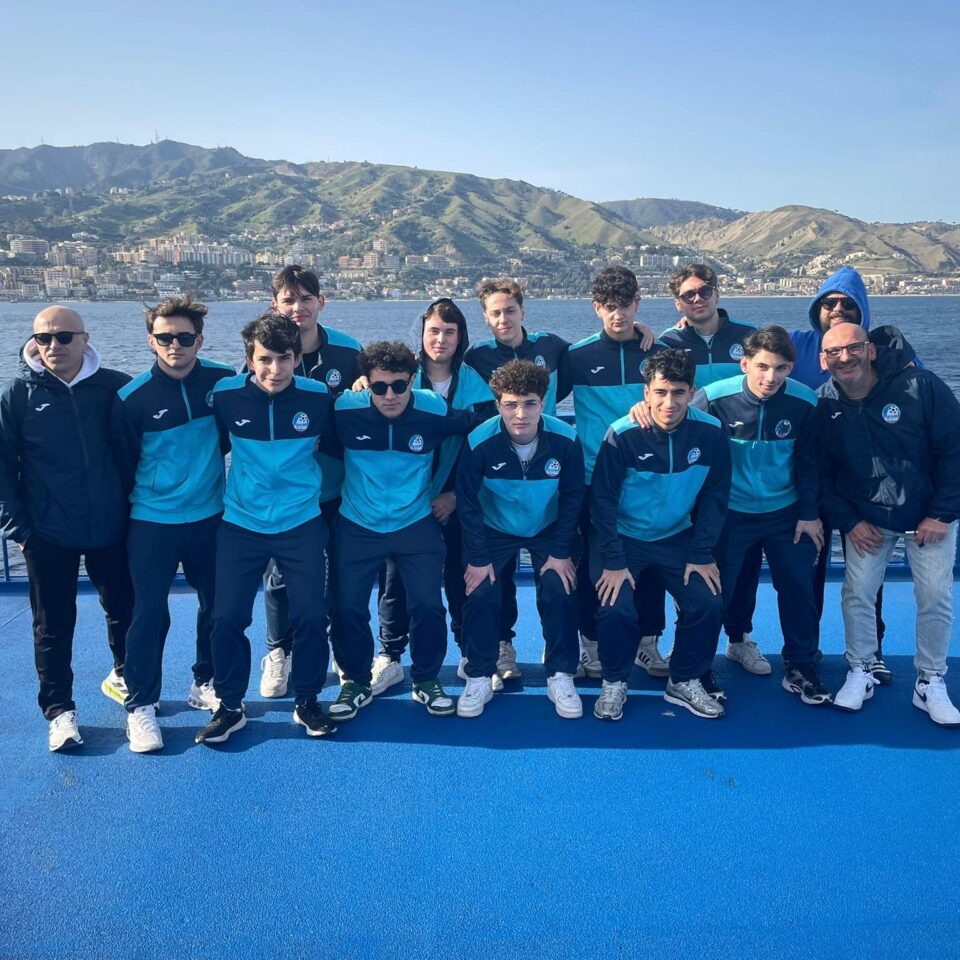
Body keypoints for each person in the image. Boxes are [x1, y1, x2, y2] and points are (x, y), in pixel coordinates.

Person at [195, 312, 338, 744]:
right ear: (249, 359)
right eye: (265, 359)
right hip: (242, 524)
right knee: (226, 618)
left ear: (297, 357)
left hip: (301, 523)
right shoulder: (226, 395)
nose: (275, 369)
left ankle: (307, 700)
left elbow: (343, 438)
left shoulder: (319, 397)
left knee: (311, 617)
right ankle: (230, 706)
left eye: (284, 358)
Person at [0, 306, 133, 751]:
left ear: (84, 339)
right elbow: (3, 469)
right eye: (43, 338)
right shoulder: (18, 395)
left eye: (63, 337)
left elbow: (136, 450)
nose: (52, 346)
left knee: (124, 612)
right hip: (47, 532)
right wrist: (20, 530)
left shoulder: (114, 387)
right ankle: (59, 710)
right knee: (53, 625)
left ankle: (127, 681)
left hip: (110, 526)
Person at [817, 323, 960, 725]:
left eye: (854, 348)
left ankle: (929, 680)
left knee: (934, 595)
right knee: (857, 593)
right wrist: (849, 521)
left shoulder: (921, 387)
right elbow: (822, 474)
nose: (845, 358)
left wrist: (942, 513)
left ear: (871, 350)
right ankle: (861, 668)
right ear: (823, 360)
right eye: (834, 352)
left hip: (928, 517)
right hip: (868, 520)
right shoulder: (825, 405)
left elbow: (955, 450)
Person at [113, 294, 235, 753]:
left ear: (199, 340)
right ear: (151, 341)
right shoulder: (132, 399)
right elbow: (123, 464)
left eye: (185, 338)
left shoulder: (223, 381)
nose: (175, 346)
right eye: (165, 338)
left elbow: (231, 435)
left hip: (209, 516)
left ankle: (204, 682)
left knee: (216, 606)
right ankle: (141, 705)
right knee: (149, 613)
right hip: (153, 521)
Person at [329, 341, 472, 720]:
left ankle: (426, 679)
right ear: (366, 383)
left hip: (415, 522)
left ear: (413, 380)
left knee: (427, 605)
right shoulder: (345, 408)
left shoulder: (433, 408)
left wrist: (455, 494)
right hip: (358, 523)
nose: (389, 395)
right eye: (379, 387)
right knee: (346, 607)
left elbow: (479, 429)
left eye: (398, 385)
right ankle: (355, 682)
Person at [591, 349, 730, 720]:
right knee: (615, 606)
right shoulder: (622, 434)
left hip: (675, 536)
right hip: (624, 537)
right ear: (647, 393)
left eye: (679, 392)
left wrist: (701, 552)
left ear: (691, 392)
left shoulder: (711, 433)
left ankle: (683, 679)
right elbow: (602, 500)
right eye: (661, 392)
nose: (669, 403)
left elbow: (715, 496)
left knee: (707, 601)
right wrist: (614, 560)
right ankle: (614, 681)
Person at [695, 326, 830, 704]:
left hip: (785, 513)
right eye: (763, 367)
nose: (771, 377)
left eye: (781, 368)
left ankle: (801, 665)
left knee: (799, 588)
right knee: (715, 591)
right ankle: (699, 667)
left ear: (791, 368)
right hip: (730, 513)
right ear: (745, 364)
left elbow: (809, 463)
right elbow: (685, 439)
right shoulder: (714, 398)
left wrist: (809, 514)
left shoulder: (805, 402)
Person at [371, 299, 492, 695]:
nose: (441, 339)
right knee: (395, 580)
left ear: (461, 337)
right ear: (420, 334)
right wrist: (359, 385)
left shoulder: (476, 386)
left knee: (460, 576)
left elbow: (483, 448)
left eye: (450, 331)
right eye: (434, 331)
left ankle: (467, 650)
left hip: (456, 500)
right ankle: (390, 655)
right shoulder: (402, 377)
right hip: (405, 501)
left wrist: (455, 495)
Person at [456, 359, 585, 718]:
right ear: (498, 404)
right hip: (495, 527)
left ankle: (560, 673)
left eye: (530, 403)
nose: (520, 414)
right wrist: (478, 557)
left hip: (547, 526)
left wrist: (561, 551)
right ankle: (480, 674)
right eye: (510, 404)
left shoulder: (566, 440)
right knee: (480, 592)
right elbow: (467, 502)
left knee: (560, 587)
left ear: (543, 402)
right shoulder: (479, 442)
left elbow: (573, 497)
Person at [655, 265, 765, 677]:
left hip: (744, 470)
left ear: (717, 292)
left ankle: (739, 639)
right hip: (690, 471)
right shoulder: (666, 343)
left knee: (743, 564)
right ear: (677, 302)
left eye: (704, 291)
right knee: (689, 562)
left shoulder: (749, 338)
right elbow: (654, 396)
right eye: (689, 294)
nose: (698, 299)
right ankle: (684, 643)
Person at [259, 265, 361, 700]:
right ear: (275, 306)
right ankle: (279, 651)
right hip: (284, 490)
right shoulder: (265, 350)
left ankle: (339, 648)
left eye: (305, 298)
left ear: (321, 302)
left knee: (340, 571)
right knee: (280, 576)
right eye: (288, 299)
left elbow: (366, 411)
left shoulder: (349, 352)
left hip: (336, 487)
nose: (297, 307)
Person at [561, 266, 667, 680]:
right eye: (609, 306)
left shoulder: (656, 353)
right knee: (593, 562)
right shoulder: (577, 356)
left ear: (637, 304)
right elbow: (536, 393)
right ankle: (590, 644)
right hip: (593, 478)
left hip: (647, 479)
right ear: (596, 308)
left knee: (652, 559)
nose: (617, 314)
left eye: (625, 305)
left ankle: (648, 643)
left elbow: (682, 398)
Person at [794, 267, 893, 683]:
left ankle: (873, 651)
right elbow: (747, 358)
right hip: (812, 481)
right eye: (828, 302)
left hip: (864, 483)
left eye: (847, 303)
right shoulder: (797, 345)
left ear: (863, 310)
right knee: (808, 570)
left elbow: (916, 395)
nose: (837, 309)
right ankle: (806, 650)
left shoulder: (884, 350)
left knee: (868, 572)